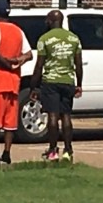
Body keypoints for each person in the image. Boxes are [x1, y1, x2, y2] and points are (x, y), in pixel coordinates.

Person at [0, 2, 32, 167]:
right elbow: (29, 54)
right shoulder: (18, 31)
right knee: (10, 121)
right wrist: (18, 61)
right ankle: (7, 152)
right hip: (13, 81)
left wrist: (8, 64)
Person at [31, 10, 83, 162]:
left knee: (52, 116)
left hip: (50, 82)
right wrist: (79, 84)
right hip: (68, 81)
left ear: (50, 21)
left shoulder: (44, 39)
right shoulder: (74, 38)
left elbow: (39, 65)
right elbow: (78, 64)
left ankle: (53, 150)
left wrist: (34, 86)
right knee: (66, 115)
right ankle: (68, 150)